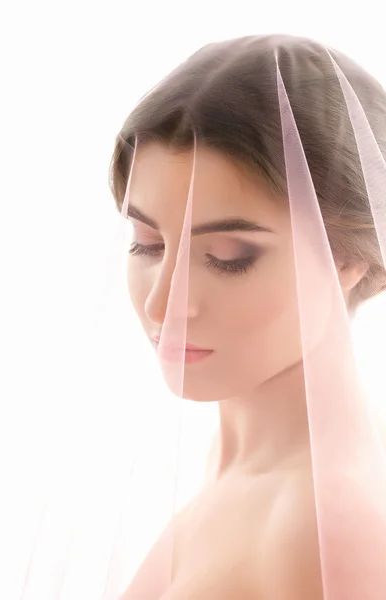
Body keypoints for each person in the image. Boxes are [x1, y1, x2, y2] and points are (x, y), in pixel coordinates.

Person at [109, 34, 386, 599]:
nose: (163, 303)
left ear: (350, 258)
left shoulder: (337, 526)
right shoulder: (233, 467)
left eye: (228, 257)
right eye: (146, 244)